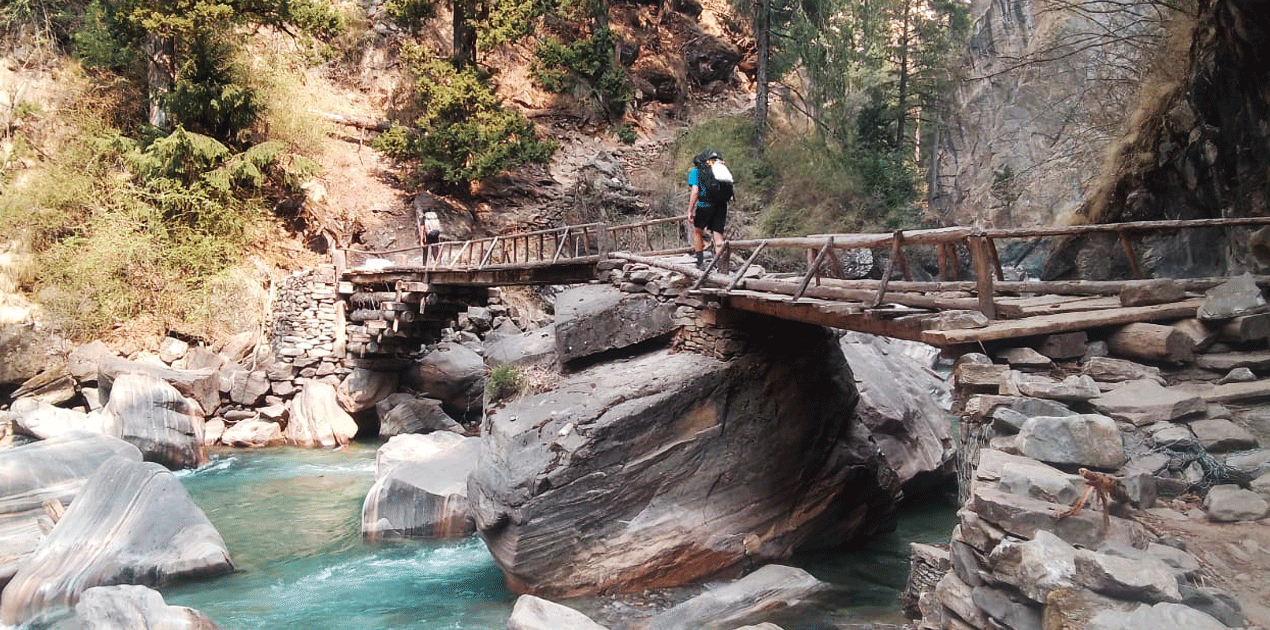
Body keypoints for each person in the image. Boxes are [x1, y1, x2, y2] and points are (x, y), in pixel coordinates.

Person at [686, 148, 730, 270]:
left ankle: (700, 262)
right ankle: (721, 266)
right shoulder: (721, 170)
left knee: (698, 231)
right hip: (721, 205)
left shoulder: (696, 171)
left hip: (705, 204)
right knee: (718, 235)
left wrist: (690, 209)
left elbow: (695, 191)